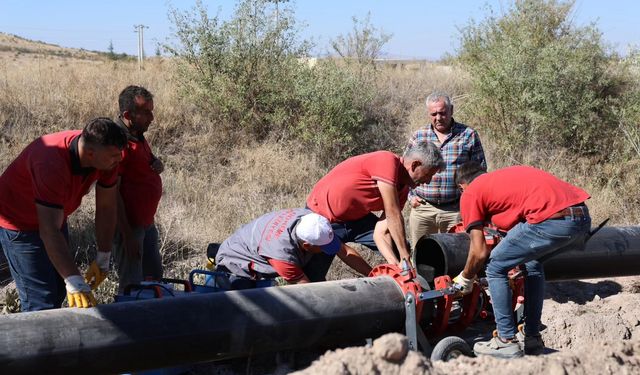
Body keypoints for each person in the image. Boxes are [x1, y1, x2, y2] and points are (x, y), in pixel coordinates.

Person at [452, 161, 591, 358]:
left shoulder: (471, 192)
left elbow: (479, 251)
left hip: (553, 221)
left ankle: (505, 340)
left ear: (462, 186)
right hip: (582, 219)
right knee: (533, 263)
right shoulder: (503, 180)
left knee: (495, 267)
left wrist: (466, 278)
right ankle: (532, 338)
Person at [0, 118, 127, 311]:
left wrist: (103, 255)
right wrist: (74, 279)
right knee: (41, 301)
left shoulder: (107, 157)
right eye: (114, 156)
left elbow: (106, 207)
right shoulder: (50, 161)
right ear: (91, 153)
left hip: (53, 218)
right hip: (19, 224)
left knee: (59, 292)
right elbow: (48, 230)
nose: (119, 159)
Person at [306, 142, 444, 276]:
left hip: (357, 218)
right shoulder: (386, 161)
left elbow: (381, 232)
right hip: (322, 216)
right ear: (415, 165)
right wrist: (404, 256)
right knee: (314, 275)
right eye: (428, 175)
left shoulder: (403, 190)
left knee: (398, 248)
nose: (428, 182)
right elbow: (392, 213)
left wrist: (396, 264)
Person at [214, 208, 373, 289]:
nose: (327, 250)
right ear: (306, 245)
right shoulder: (282, 256)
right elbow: (307, 290)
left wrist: (373, 276)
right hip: (235, 261)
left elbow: (344, 251)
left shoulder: (312, 221)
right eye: (324, 247)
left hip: (261, 242)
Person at [407, 92, 486, 248]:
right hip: (423, 209)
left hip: (455, 210)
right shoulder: (418, 136)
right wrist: (410, 197)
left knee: (458, 255)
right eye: (434, 114)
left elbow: (479, 172)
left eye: (442, 113)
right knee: (421, 255)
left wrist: (472, 203)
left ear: (451, 110)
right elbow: (407, 168)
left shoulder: (468, 135)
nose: (438, 117)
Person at [112, 85, 164, 293]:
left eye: (152, 111)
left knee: (154, 279)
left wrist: (156, 163)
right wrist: (127, 235)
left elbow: (146, 162)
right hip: (130, 228)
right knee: (132, 287)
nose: (152, 117)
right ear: (128, 115)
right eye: (146, 113)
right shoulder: (117, 143)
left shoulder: (137, 134)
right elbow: (111, 194)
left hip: (146, 224)